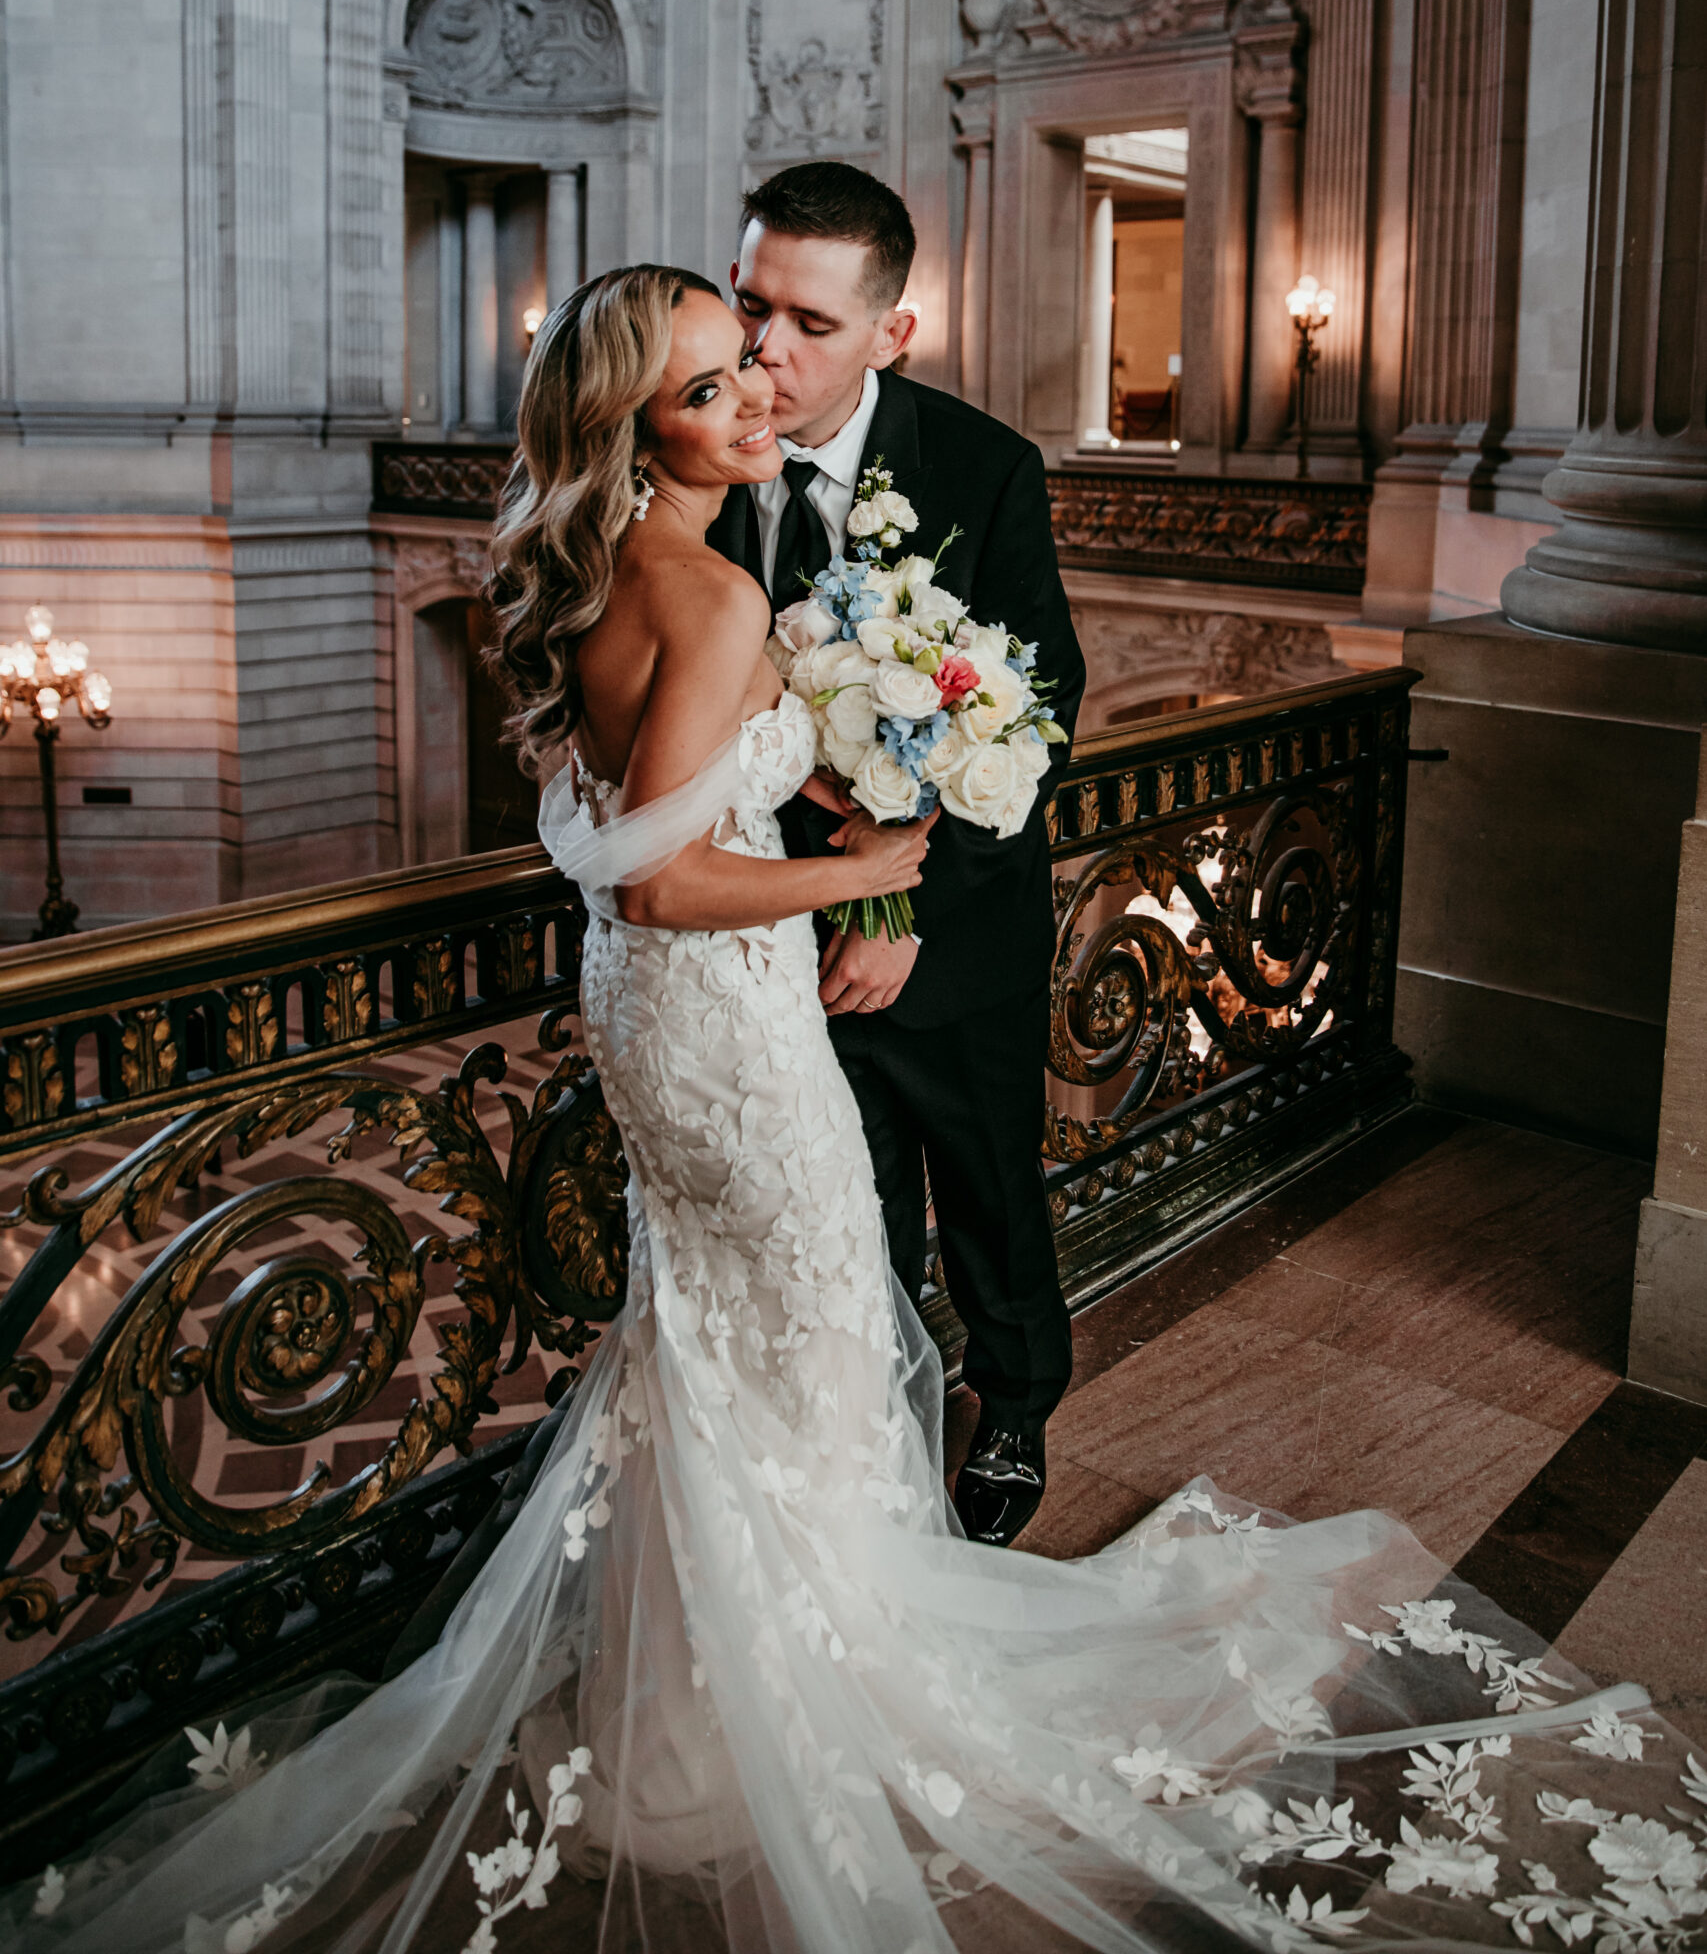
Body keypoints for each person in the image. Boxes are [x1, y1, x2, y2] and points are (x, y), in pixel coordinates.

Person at [6, 266, 1693, 1954]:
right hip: (721, 1024)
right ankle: (764, 1714)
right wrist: (870, 863)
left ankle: (683, 1711)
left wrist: (803, 763)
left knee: (719, 1343)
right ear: (631, 429)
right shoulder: (720, 593)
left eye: (750, 371)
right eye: (708, 393)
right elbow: (663, 886)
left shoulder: (620, 570)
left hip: (661, 1031)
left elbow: (645, 808)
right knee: (805, 1339)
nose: (755, 404)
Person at [708, 161, 1084, 1547]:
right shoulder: (699, 453)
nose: (765, 352)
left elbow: (1038, 712)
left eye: (809, 323)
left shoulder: (984, 469)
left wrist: (899, 900)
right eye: (753, 306)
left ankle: (1019, 1402)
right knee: (842, 1205)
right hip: (762, 932)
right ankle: (867, 1419)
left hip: (952, 931)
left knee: (987, 1187)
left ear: (891, 333)